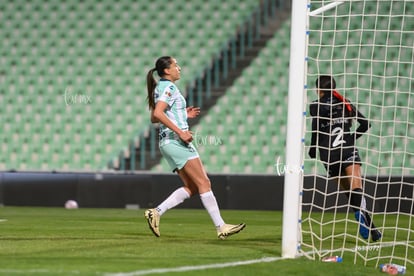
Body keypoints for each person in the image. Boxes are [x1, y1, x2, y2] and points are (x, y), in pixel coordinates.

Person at [144, 56, 245, 239]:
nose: (179, 68)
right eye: (175, 65)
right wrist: (181, 132)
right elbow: (158, 113)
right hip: (176, 141)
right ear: (167, 70)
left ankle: (157, 212)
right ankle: (221, 227)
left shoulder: (160, 88)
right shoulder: (169, 87)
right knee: (204, 183)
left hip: (166, 142)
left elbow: (154, 117)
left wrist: (183, 114)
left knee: (192, 186)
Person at [308, 75, 381, 242]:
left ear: (318, 89)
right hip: (347, 149)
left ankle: (373, 229)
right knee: (356, 187)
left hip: (328, 153)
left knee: (348, 192)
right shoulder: (345, 103)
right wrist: (351, 138)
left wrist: (313, 149)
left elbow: (316, 129)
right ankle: (368, 223)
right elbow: (365, 124)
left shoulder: (315, 106)